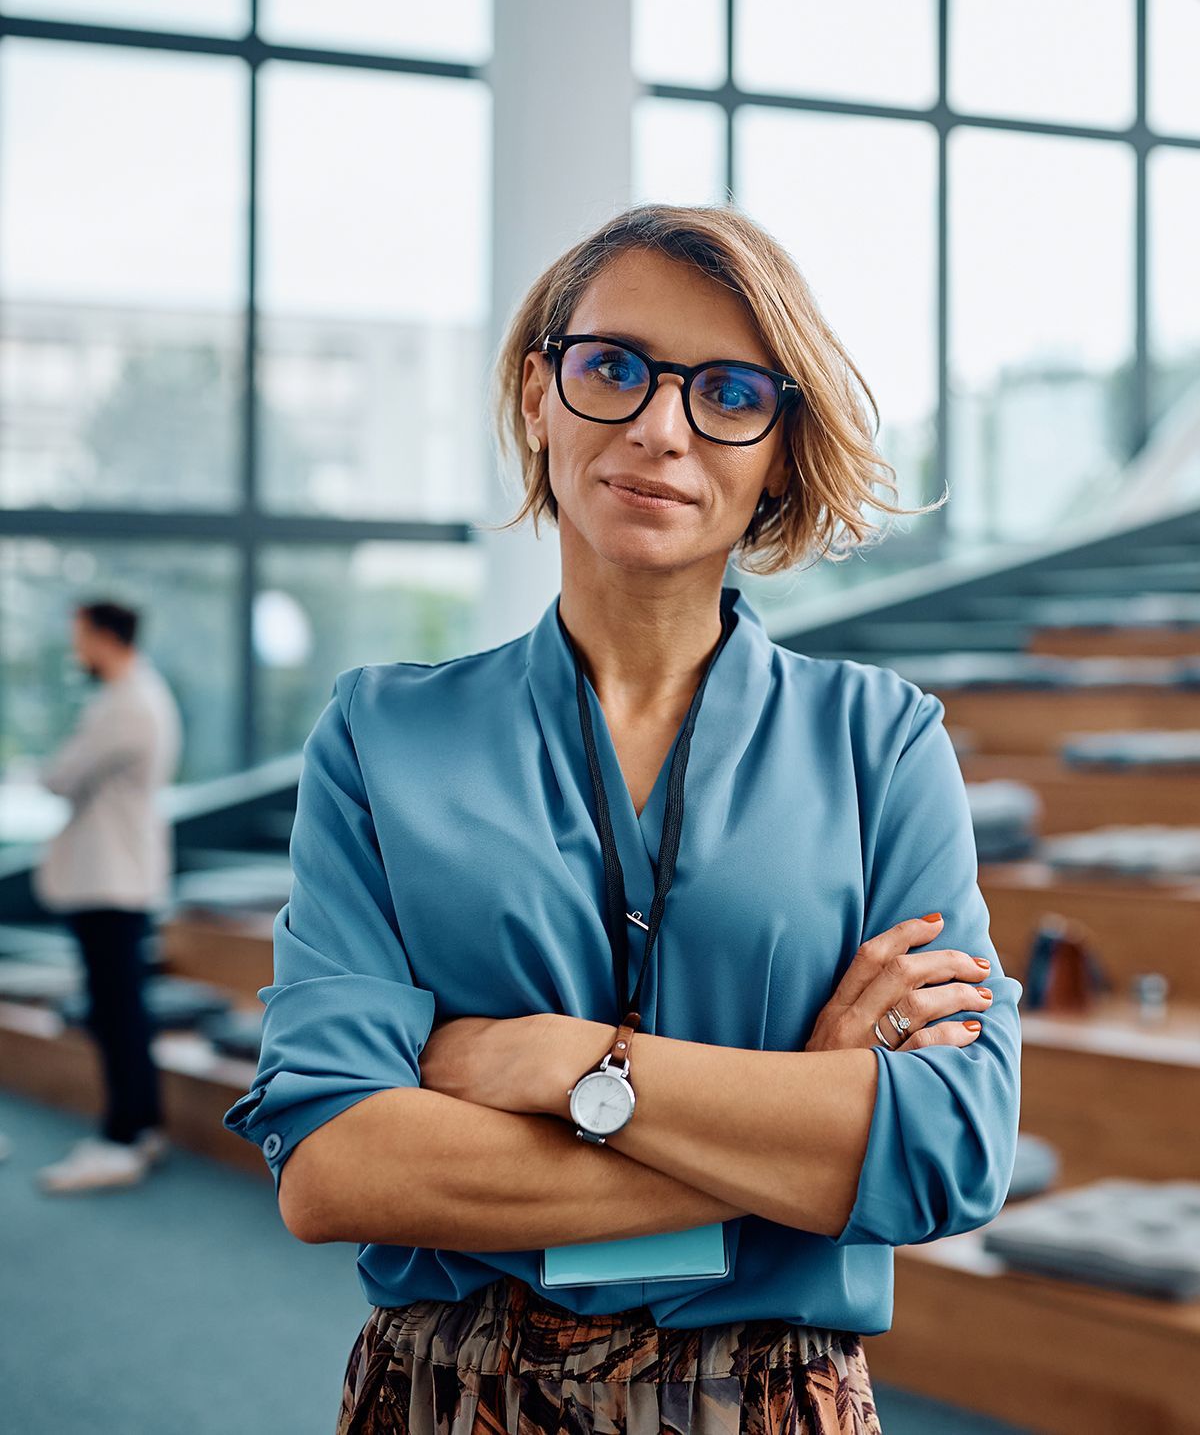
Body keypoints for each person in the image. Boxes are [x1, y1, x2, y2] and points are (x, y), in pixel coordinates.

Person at [223, 203, 1023, 1435]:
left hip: (775, 1402)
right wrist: (797, 1124)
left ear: (776, 447)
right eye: (613, 369)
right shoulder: (383, 734)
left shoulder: (883, 742)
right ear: (541, 396)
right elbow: (336, 1168)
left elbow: (949, 1149)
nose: (660, 427)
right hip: (449, 1396)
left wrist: (561, 1065)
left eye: (730, 393)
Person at [33, 599, 182, 1194]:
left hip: (111, 882)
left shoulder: (127, 703)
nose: (76, 651)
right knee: (119, 1011)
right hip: (112, 878)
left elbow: (58, 777)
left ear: (102, 637)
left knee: (118, 1012)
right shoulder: (134, 694)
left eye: (80, 637)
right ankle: (134, 1127)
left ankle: (125, 1137)